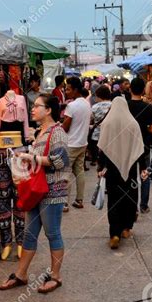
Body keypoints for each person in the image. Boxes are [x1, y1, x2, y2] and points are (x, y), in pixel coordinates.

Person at [0, 94, 69, 294]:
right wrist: (25, 158)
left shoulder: (57, 132)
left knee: (52, 233)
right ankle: (21, 274)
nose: (32, 109)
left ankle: (56, 276)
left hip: (52, 190)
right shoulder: (40, 132)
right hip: (36, 191)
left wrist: (32, 157)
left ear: (48, 110)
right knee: (29, 234)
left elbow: (59, 161)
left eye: (37, 106)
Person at [97, 97, 147, 249]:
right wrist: (143, 168)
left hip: (112, 169)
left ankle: (114, 234)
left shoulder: (107, 123)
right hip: (130, 168)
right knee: (129, 197)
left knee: (114, 199)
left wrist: (101, 168)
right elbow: (140, 149)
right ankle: (126, 228)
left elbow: (103, 148)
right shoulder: (133, 124)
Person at [128, 77, 152, 213]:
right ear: (143, 90)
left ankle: (132, 206)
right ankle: (144, 205)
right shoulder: (149, 108)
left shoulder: (125, 107)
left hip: (128, 147)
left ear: (129, 89)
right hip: (144, 145)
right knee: (145, 174)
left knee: (130, 176)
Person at [62, 76, 91, 210]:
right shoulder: (86, 103)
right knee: (79, 172)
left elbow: (66, 127)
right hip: (82, 143)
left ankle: (64, 203)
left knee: (65, 173)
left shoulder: (71, 106)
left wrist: (57, 126)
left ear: (75, 90)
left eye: (68, 89)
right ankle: (79, 200)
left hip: (71, 144)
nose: (66, 92)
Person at [89, 84, 112, 164]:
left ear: (99, 96)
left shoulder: (94, 107)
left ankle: (96, 160)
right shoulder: (113, 105)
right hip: (109, 134)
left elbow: (90, 120)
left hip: (96, 135)